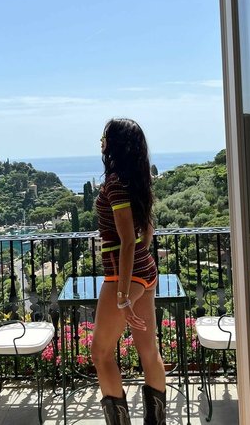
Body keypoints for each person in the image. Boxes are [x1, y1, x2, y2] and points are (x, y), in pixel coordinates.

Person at [91, 118, 166, 424]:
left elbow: (126, 241)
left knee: (100, 353)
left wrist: (123, 294)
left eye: (104, 136)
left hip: (125, 276)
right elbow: (147, 232)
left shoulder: (115, 183)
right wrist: (140, 261)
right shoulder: (135, 180)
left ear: (114, 143)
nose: (101, 141)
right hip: (145, 271)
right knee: (148, 351)